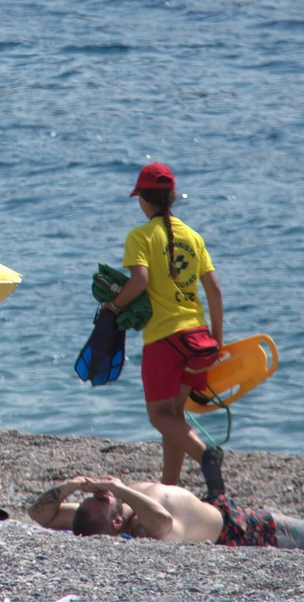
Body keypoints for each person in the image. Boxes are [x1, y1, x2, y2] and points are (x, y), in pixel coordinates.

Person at [103, 162, 224, 485]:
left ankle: (206, 456)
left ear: (143, 199)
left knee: (159, 416)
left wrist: (113, 306)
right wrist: (218, 340)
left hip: (165, 341)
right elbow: (214, 290)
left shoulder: (140, 236)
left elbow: (139, 281)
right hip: (198, 340)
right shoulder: (193, 237)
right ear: (171, 197)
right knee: (175, 416)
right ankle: (170, 486)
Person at [28, 471, 304, 559]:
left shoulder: (104, 516)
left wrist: (74, 484)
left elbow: (39, 514)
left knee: (301, 530)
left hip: (222, 510)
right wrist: (116, 488)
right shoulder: (144, 524)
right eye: (102, 500)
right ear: (116, 522)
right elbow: (165, 522)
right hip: (237, 531)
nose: (101, 494)